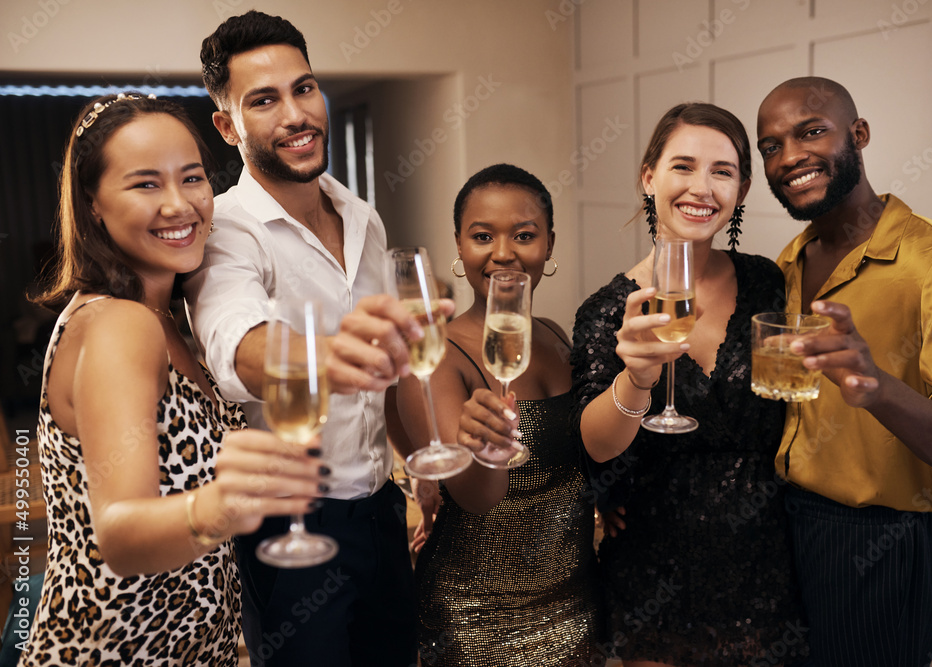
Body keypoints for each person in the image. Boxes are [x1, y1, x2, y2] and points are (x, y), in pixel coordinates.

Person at [21, 93, 326, 666]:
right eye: (145, 185)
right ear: (92, 205)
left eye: (191, 178)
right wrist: (222, 507)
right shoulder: (120, 324)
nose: (179, 205)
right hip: (119, 652)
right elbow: (118, 534)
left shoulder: (175, 319)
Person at [186, 10, 439, 666]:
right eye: (264, 100)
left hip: (382, 508)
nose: (296, 113)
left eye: (303, 88)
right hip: (291, 522)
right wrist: (326, 353)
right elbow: (237, 343)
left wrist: (420, 463)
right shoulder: (227, 229)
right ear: (227, 126)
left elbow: (389, 375)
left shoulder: (364, 218)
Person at [756, 76, 932, 664]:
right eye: (770, 146)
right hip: (787, 526)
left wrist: (877, 386)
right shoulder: (789, 261)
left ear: (859, 135)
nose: (789, 157)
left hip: (880, 543)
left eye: (812, 132)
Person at [571, 103, 810, 665]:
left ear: (742, 190)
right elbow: (595, 445)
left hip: (764, 564)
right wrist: (638, 377)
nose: (701, 187)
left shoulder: (768, 283)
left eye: (722, 171)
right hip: (653, 575)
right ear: (649, 176)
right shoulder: (608, 311)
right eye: (683, 166)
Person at [392, 163, 605, 666]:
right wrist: (485, 450)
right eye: (482, 236)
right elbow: (475, 497)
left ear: (549, 244)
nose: (503, 253)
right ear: (460, 245)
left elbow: (582, 451)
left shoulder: (555, 334)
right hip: (475, 616)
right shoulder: (438, 356)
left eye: (524, 235)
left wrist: (612, 494)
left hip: (574, 600)